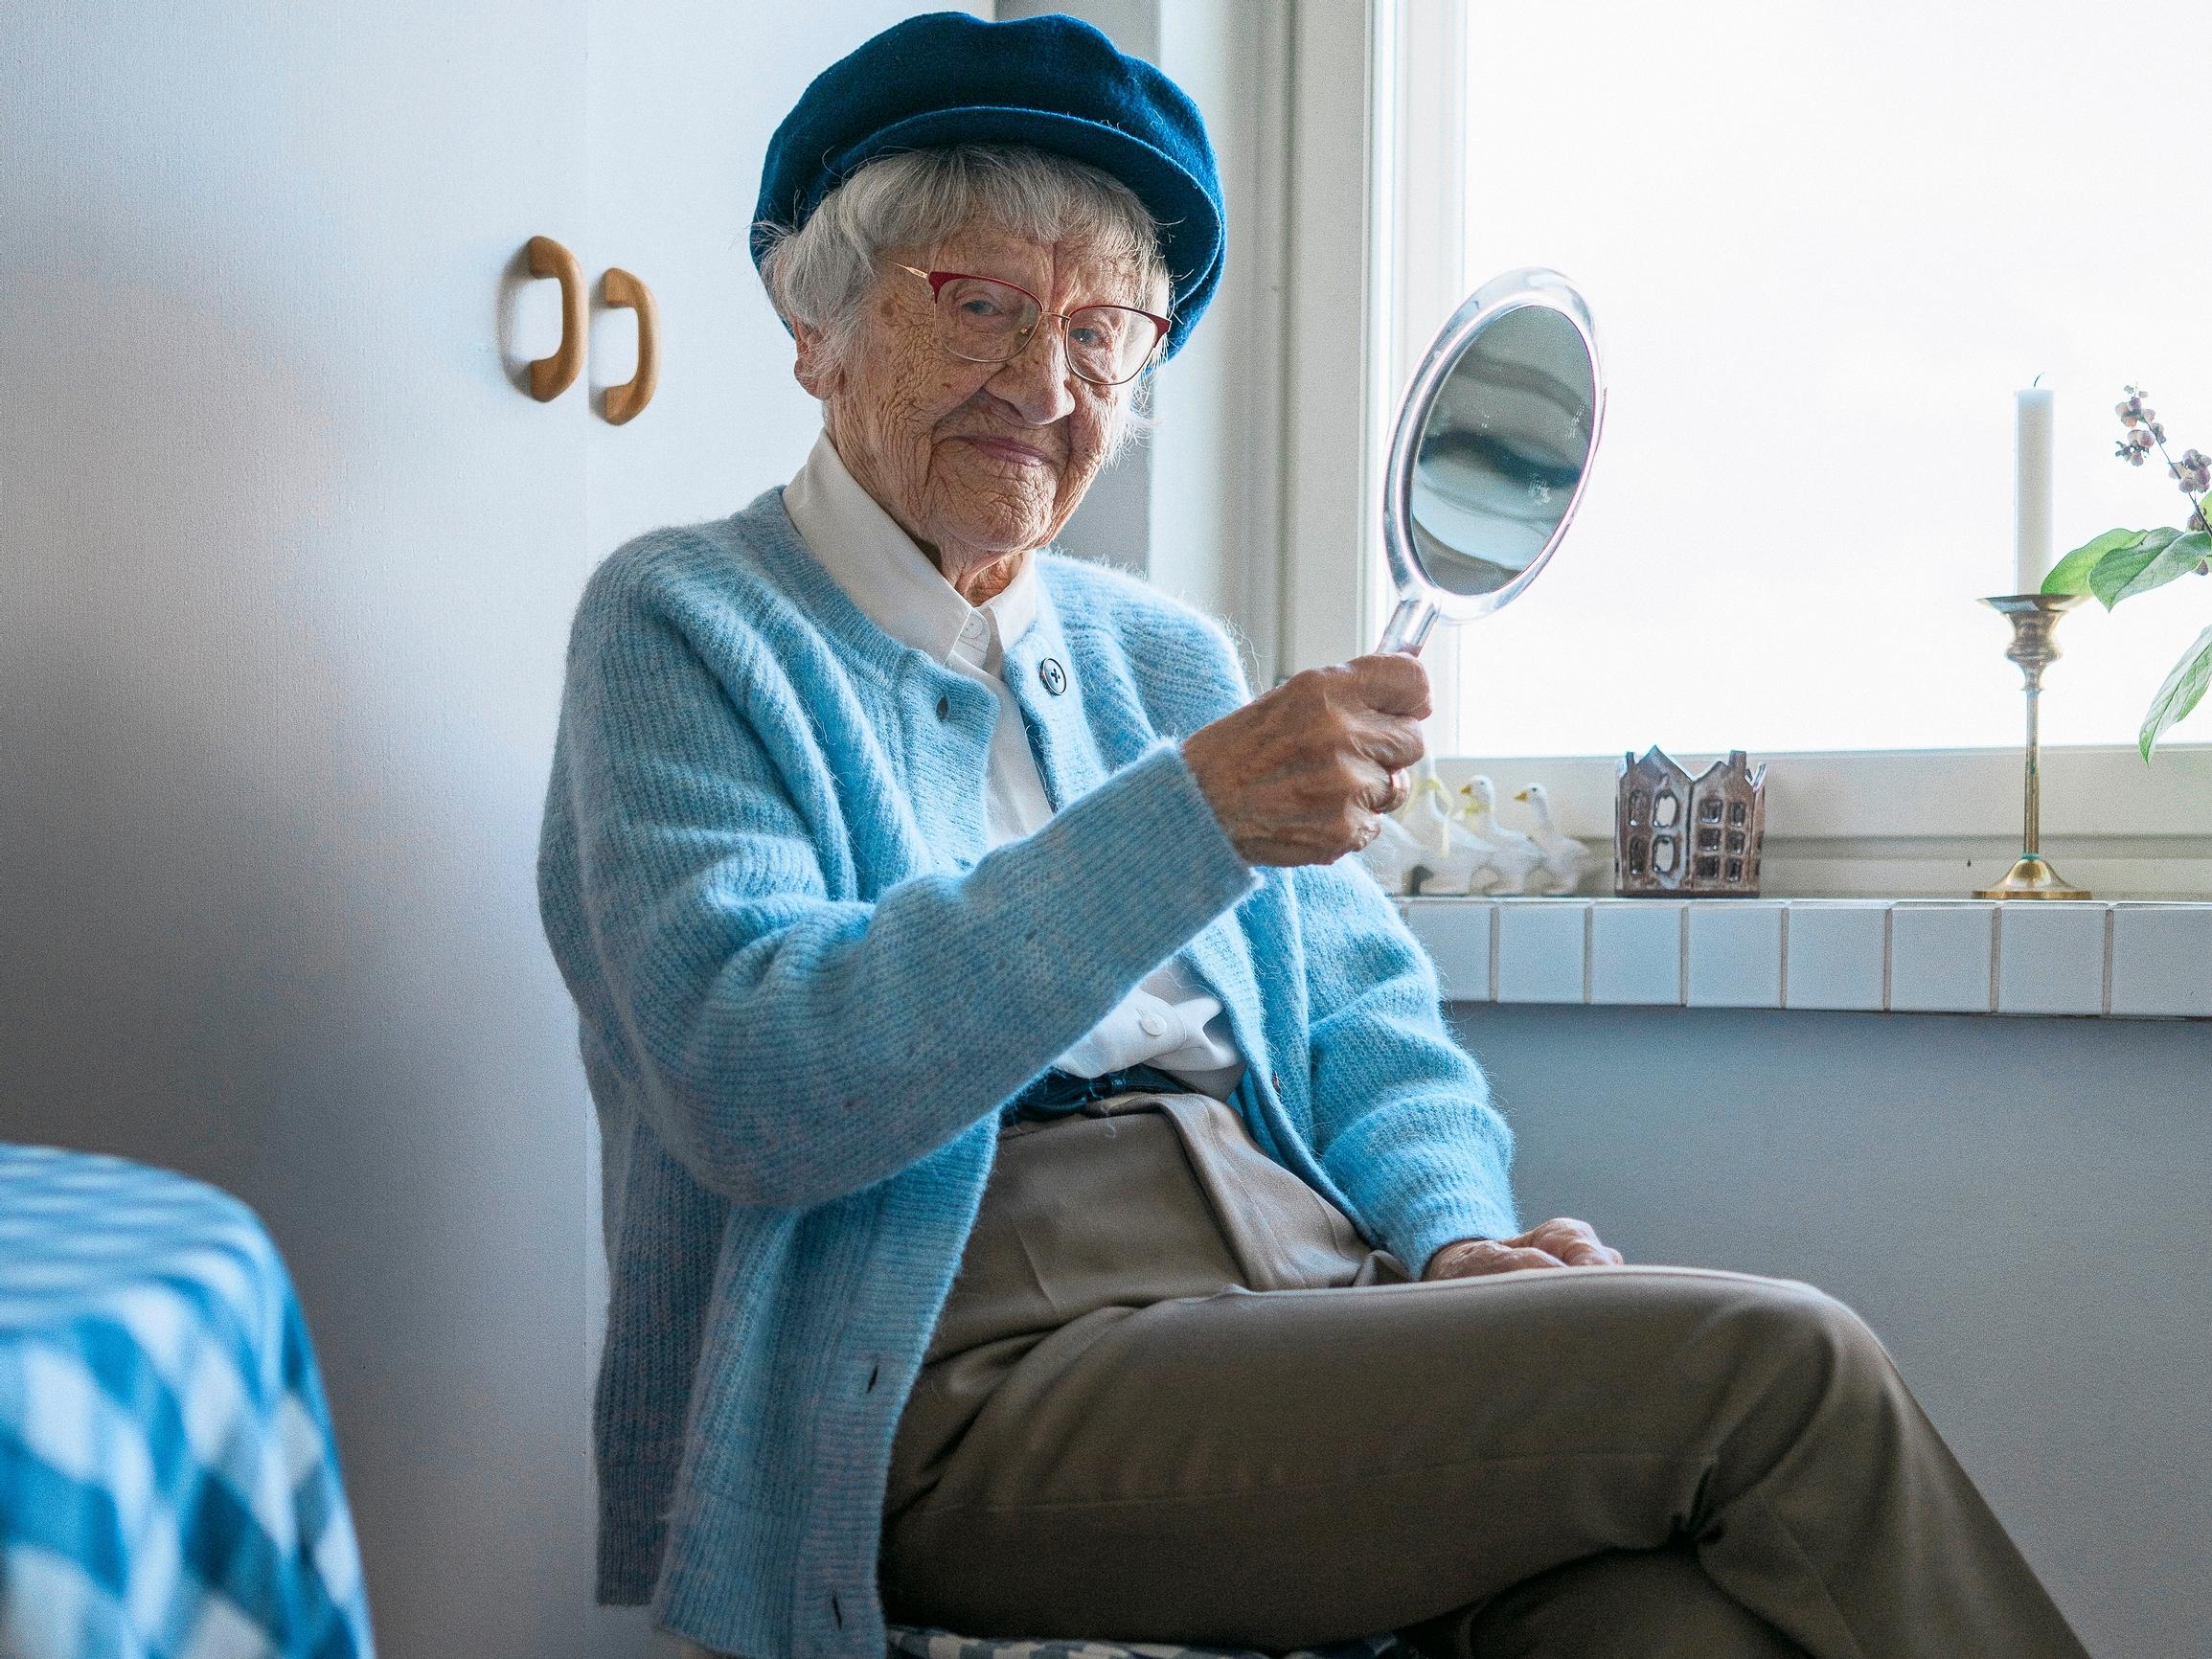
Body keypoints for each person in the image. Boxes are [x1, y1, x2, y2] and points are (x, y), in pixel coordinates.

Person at [536, 13, 2089, 1659]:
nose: (1046, 384)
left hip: (1292, 1294)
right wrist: (1186, 820)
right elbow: (757, 1086)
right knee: (1779, 1365)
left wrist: (1454, 1234)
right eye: (979, 304)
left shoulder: (1159, 660)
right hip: (944, 1364)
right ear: (817, 326)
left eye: (1103, 330)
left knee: (1667, 1629)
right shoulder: (688, 624)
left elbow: (1360, 1022)